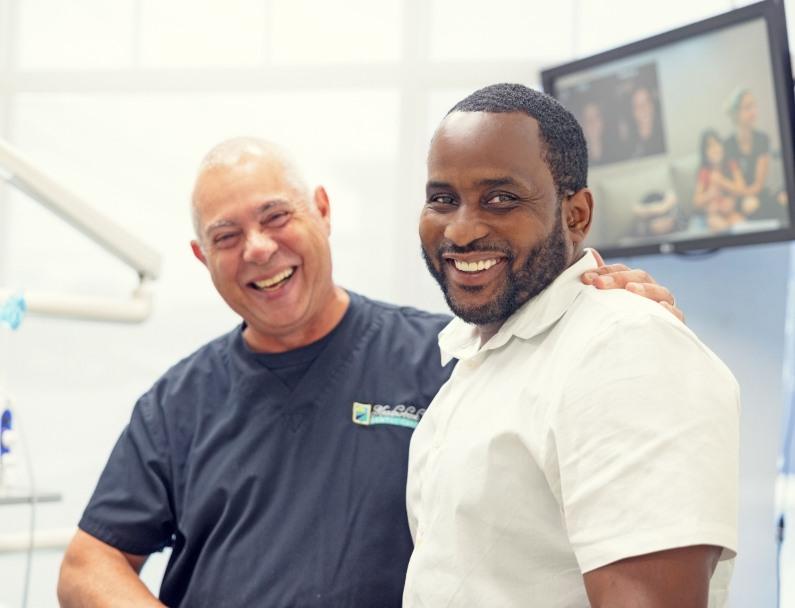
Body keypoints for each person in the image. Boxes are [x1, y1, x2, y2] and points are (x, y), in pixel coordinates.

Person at [57, 138, 682, 607]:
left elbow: (563, 398)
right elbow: (88, 563)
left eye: (276, 217)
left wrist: (610, 320)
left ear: (321, 211)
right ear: (203, 257)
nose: (257, 248)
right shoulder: (179, 401)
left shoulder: (447, 355)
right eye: (227, 236)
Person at [405, 84, 738, 607]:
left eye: (501, 198)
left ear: (577, 215)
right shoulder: (482, 357)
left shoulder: (625, 349)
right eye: (443, 199)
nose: (462, 230)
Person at [693, 128, 745, 232]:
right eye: (710, 147)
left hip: (731, 210)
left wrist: (722, 182)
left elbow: (742, 190)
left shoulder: (731, 164)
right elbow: (696, 202)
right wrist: (710, 194)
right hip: (714, 213)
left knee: (740, 224)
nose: (715, 149)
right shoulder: (705, 171)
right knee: (714, 222)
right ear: (705, 153)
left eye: (717, 144)